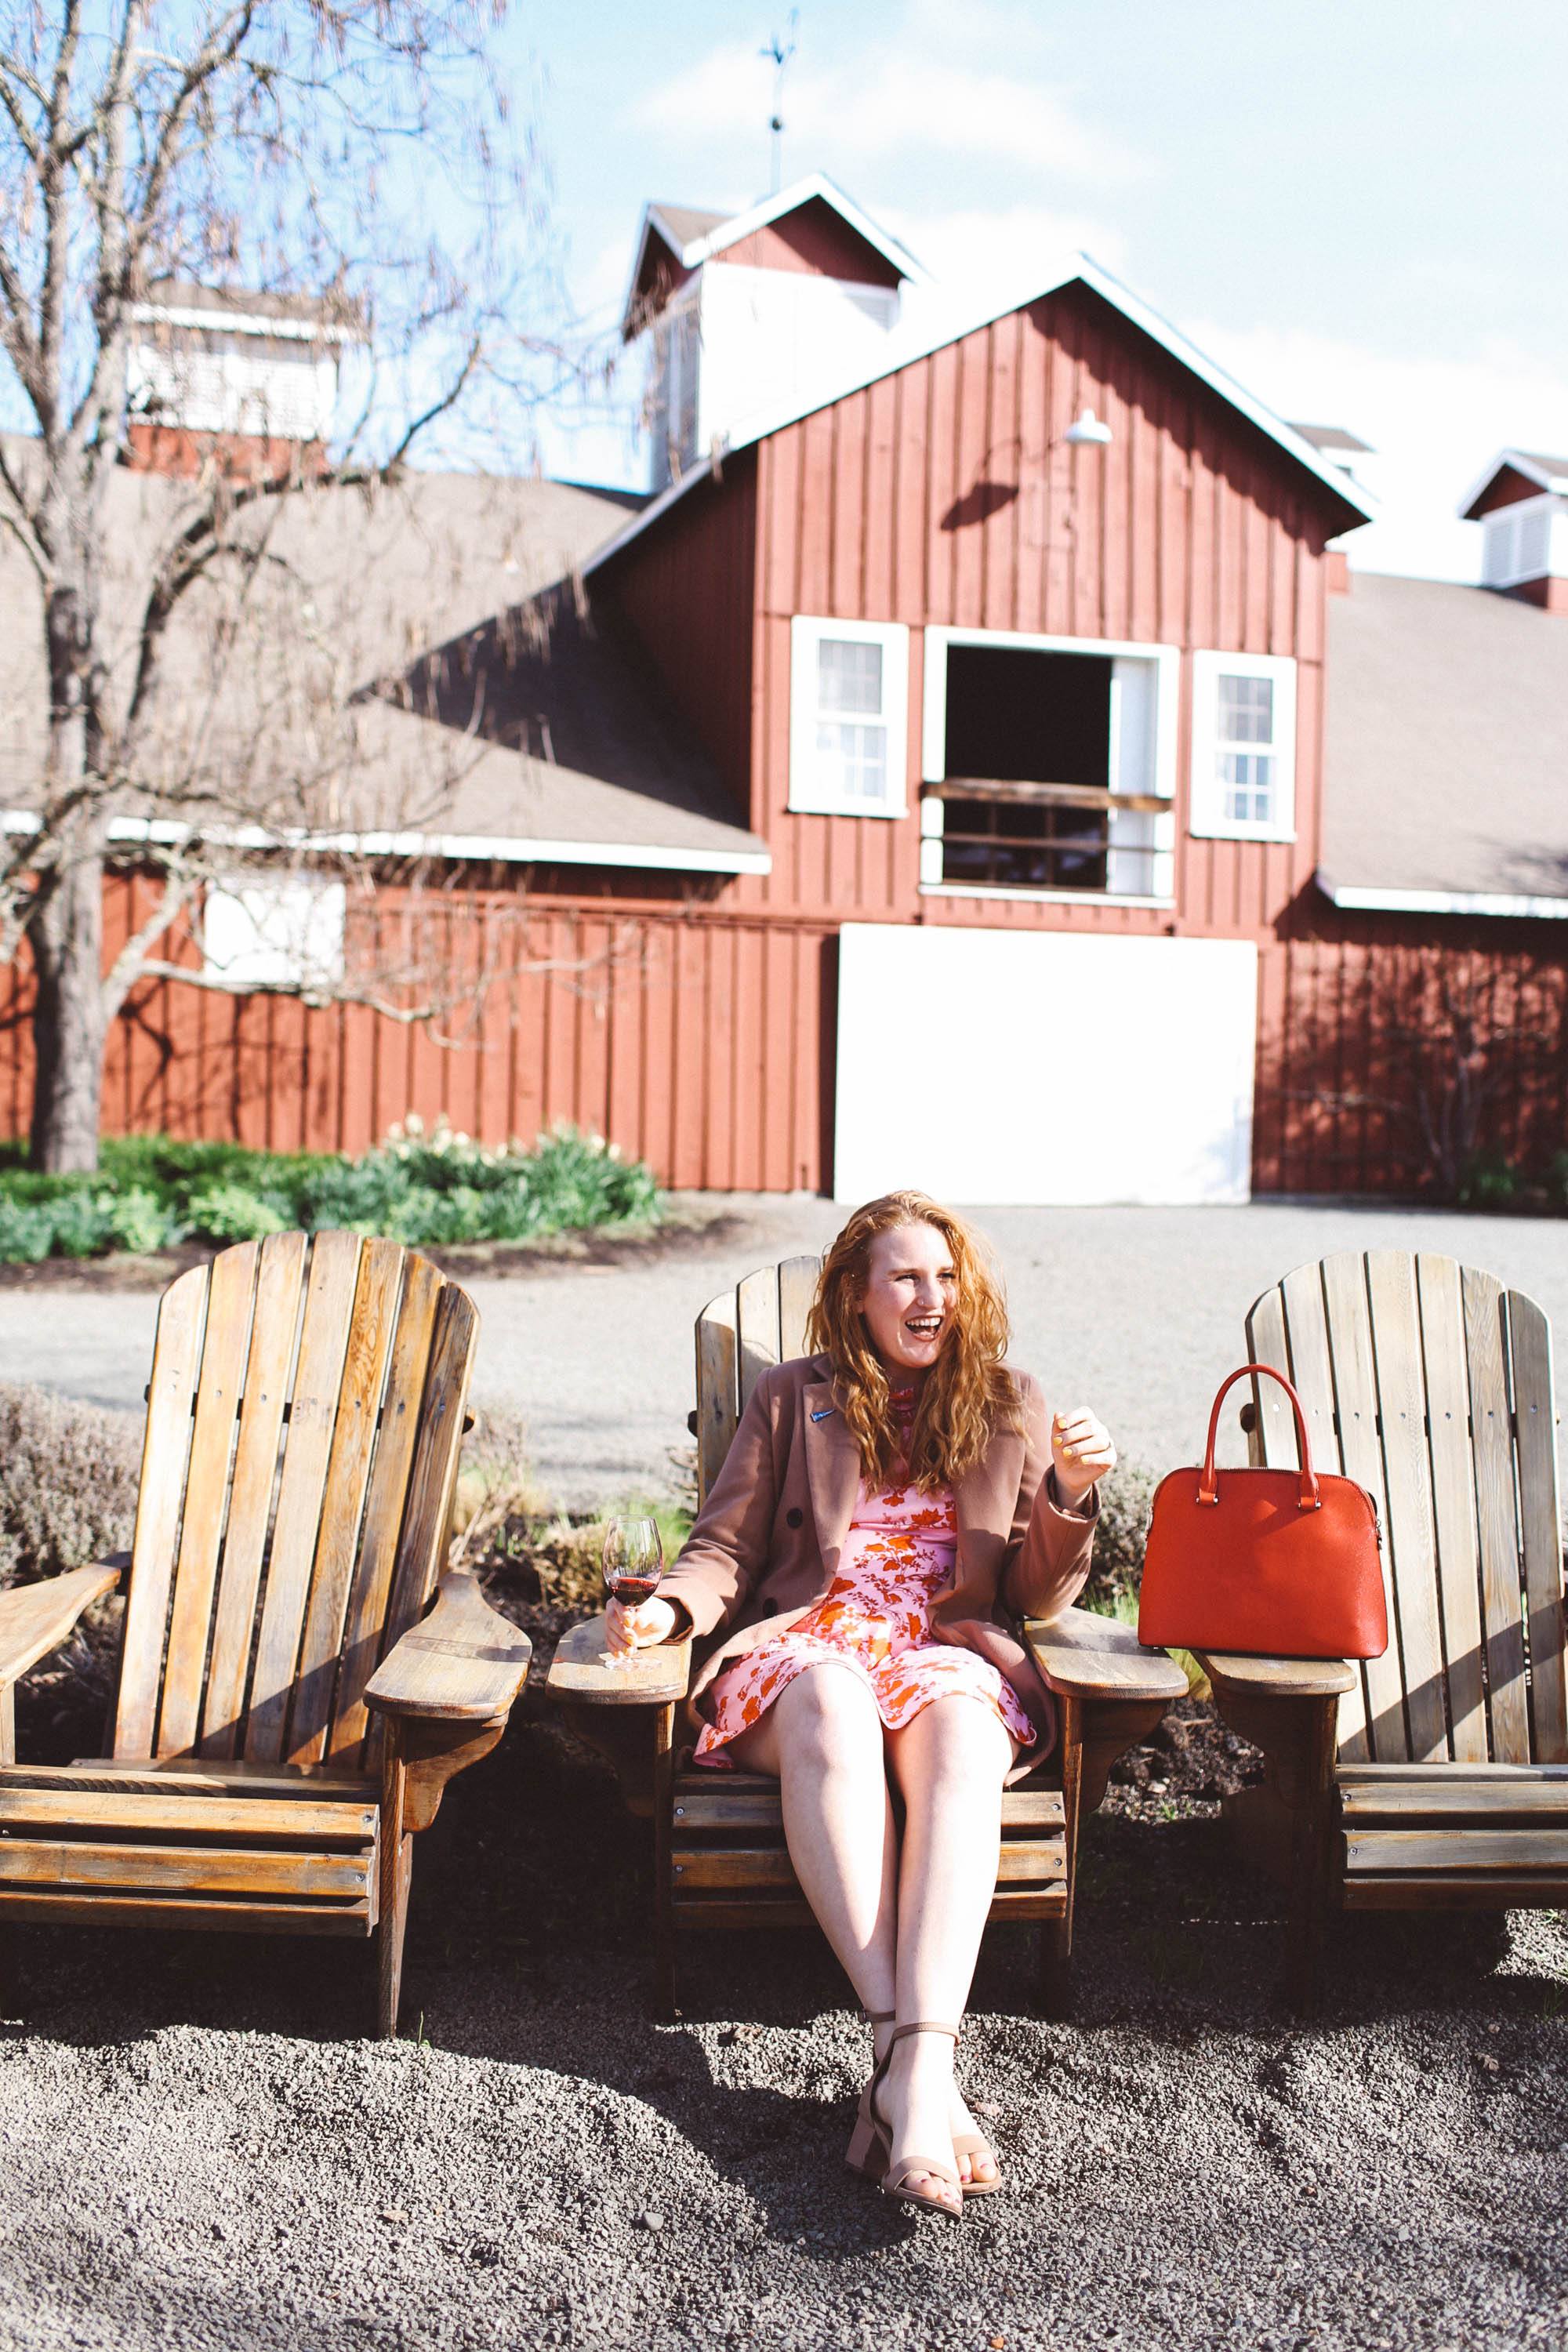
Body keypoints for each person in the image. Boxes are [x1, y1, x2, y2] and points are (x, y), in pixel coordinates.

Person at [605, 1190, 1114, 2219]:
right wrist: (669, 1613)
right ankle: (922, 2077)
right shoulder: (799, 1398)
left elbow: (1032, 1595)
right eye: (906, 1278)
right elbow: (729, 1546)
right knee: (833, 1703)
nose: (932, 1298)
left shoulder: (1009, 1400)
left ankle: (903, 2076)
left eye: (946, 1276)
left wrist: (1068, 1495)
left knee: (969, 1730)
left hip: (940, 1645)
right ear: (857, 1293)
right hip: (813, 1641)